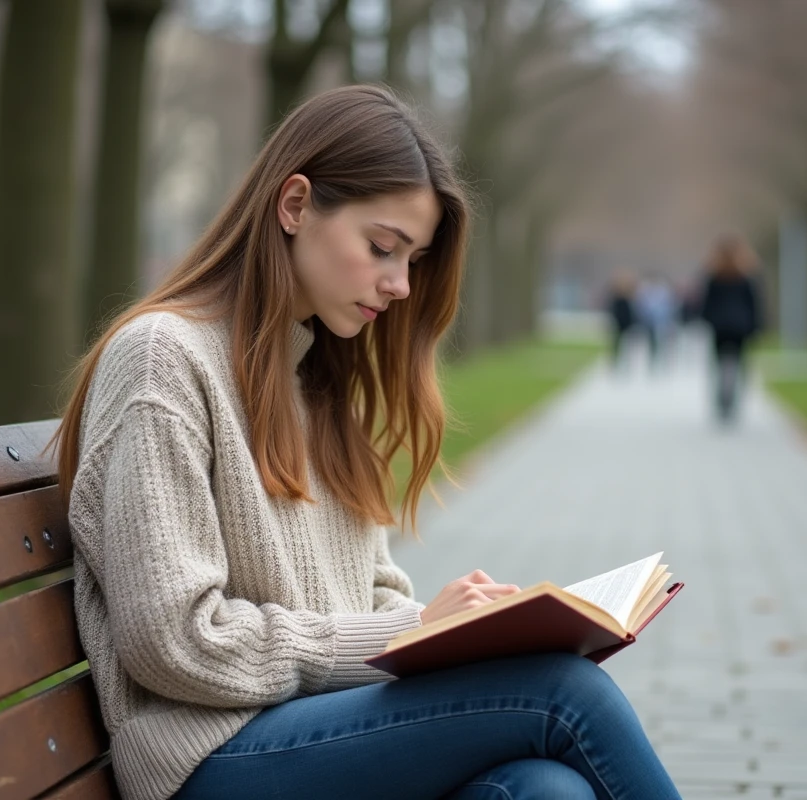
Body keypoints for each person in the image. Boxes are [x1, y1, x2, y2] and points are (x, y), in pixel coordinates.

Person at [54, 85, 681, 800]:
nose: (400, 285)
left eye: (412, 260)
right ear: (294, 206)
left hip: (311, 734)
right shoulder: (162, 359)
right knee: (563, 693)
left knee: (542, 791)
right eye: (383, 248)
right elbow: (174, 643)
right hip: (209, 760)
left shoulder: (316, 377)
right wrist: (401, 635)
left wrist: (460, 631)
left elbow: (376, 594)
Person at [698, 234, 764, 423]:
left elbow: (706, 304)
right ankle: (732, 399)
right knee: (739, 363)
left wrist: (706, 320)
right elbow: (754, 304)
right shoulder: (746, 277)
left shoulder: (713, 276)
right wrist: (756, 326)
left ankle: (722, 400)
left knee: (719, 364)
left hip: (719, 327)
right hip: (740, 327)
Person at [603, 270, 638, 368]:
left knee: (626, 344)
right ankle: (617, 362)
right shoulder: (616, 297)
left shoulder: (629, 297)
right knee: (618, 344)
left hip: (626, 323)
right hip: (619, 323)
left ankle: (624, 363)